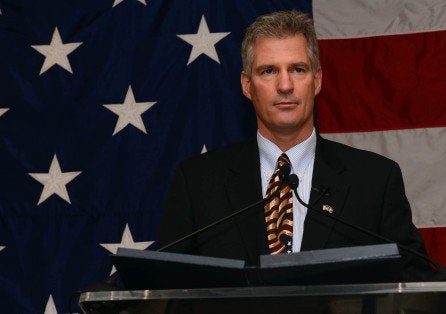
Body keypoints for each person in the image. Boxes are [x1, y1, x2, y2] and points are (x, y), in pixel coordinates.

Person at [158, 10, 428, 271]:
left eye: (298, 69)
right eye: (268, 71)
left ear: (317, 80)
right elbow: (164, 287)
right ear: (247, 85)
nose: (285, 85)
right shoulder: (197, 183)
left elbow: (421, 283)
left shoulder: (375, 180)